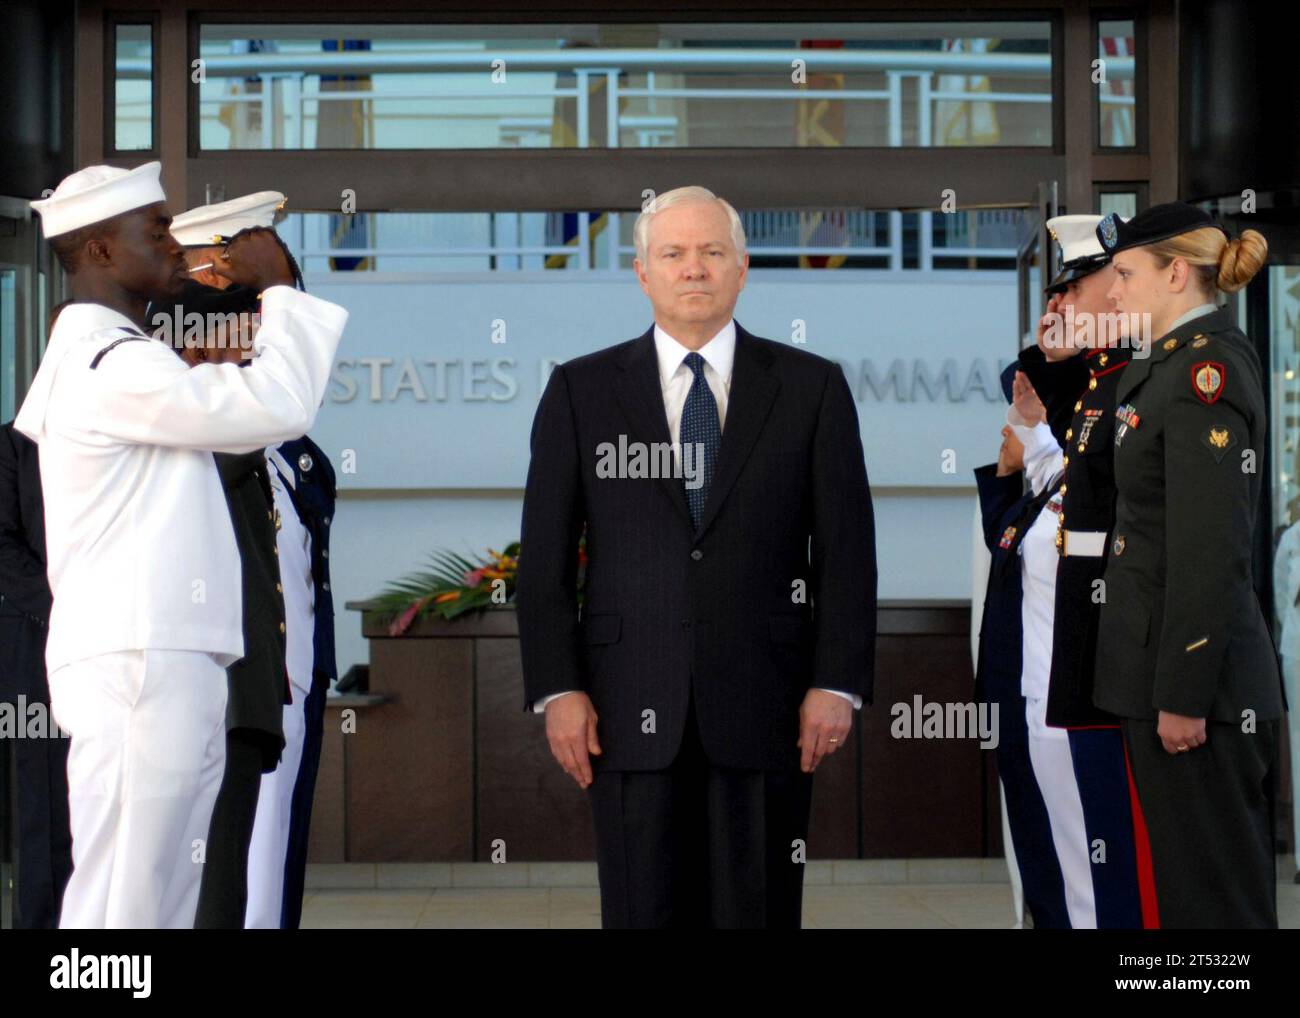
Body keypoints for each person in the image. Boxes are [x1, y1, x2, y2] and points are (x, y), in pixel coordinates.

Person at [516, 185, 876, 928]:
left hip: (769, 705)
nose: (694, 269)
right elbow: (545, 558)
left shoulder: (812, 388)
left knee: (760, 910)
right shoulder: (582, 390)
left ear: (742, 269)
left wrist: (836, 681)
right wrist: (558, 689)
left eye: (712, 252)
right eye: (673, 254)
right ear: (642, 273)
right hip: (623, 705)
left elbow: (847, 553)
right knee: (642, 912)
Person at [15, 161, 348, 928]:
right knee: (126, 897)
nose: (173, 244)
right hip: (142, 658)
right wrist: (281, 290)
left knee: (157, 896)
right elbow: (276, 403)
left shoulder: (125, 359)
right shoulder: (111, 365)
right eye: (155, 229)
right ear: (99, 251)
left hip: (169, 654)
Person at [1091, 201, 1284, 928]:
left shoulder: (1205, 370)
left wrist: (1185, 692)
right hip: (1166, 680)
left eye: (1123, 273)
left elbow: (1209, 546)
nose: (1112, 292)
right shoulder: (1173, 364)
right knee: (1188, 897)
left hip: (1198, 692)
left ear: (1177, 274)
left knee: (1214, 906)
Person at [1010, 214, 1152, 928]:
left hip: (1110, 683)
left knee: (1118, 879)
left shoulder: (1139, 386)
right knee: (1078, 878)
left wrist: (1053, 363)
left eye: (1081, 285)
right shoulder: (1097, 390)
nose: (1060, 306)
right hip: (1058, 685)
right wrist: (1051, 361)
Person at [973, 364, 1071, 929]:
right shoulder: (1029, 500)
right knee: (1037, 849)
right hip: (1018, 705)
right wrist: (1011, 472)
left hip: (1052, 706)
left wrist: (1030, 447)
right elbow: (1001, 533)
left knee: (1064, 857)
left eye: (1015, 420)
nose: (1003, 432)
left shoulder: (1061, 495)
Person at [0, 306, 73, 926]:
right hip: (37, 647)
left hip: (119, 648)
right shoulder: (13, 443)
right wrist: (72, 607)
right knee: (41, 803)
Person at [250, 434, 337, 929]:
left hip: (299, 673)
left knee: (279, 837)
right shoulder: (202, 442)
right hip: (235, 677)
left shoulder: (298, 458)